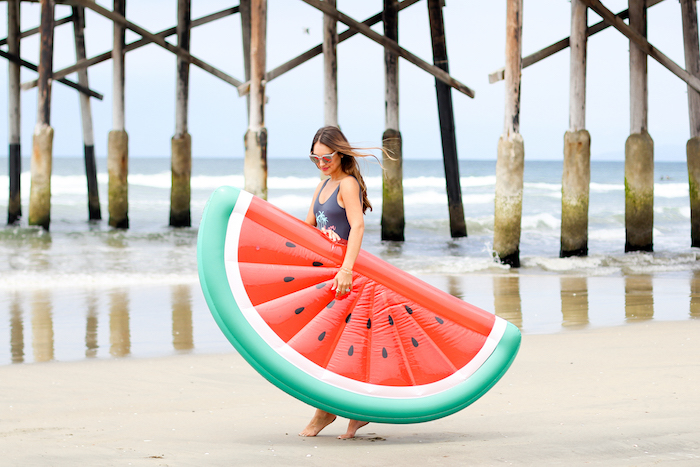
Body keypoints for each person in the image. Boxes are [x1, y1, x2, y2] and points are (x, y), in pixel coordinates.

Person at [299, 126, 375, 439]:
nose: (321, 163)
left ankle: (326, 411)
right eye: (315, 159)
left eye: (326, 157)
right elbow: (307, 228)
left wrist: (346, 270)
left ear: (339, 153)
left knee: (337, 347)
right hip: (325, 277)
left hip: (345, 279)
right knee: (331, 346)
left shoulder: (347, 184)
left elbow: (356, 227)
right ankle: (354, 412)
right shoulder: (322, 186)